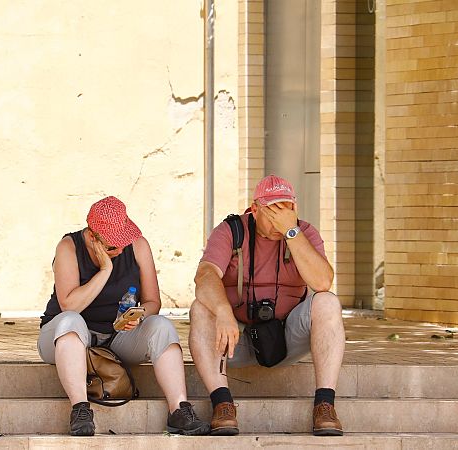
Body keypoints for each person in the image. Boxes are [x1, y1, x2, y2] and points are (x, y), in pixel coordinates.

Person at [38, 196, 210, 436]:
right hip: (65, 338)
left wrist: (138, 317)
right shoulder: (68, 247)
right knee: (71, 321)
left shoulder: (138, 245)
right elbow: (69, 305)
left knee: (161, 325)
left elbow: (153, 302)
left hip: (117, 336)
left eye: (122, 243)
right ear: (91, 237)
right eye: (111, 246)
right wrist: (105, 269)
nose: (119, 250)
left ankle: (179, 409)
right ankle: (80, 410)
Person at [189, 174, 345, 436]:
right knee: (200, 307)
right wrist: (224, 311)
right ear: (255, 208)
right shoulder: (231, 231)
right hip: (232, 338)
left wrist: (291, 231)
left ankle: (325, 406)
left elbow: (323, 281)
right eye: (272, 211)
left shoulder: (303, 233)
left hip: (286, 336)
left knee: (328, 302)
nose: (278, 219)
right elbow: (204, 276)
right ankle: (223, 404)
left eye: (285, 210)